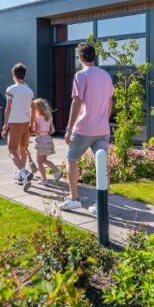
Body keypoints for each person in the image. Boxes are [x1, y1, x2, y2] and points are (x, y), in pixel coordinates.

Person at [62, 42, 115, 212]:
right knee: (102, 165)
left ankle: (74, 198)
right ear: (94, 57)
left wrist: (69, 129)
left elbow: (76, 102)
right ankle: (101, 204)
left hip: (84, 128)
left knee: (71, 160)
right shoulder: (105, 76)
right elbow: (110, 102)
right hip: (102, 129)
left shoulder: (81, 75)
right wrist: (104, 120)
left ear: (81, 57)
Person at [1, 63, 35, 185]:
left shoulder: (11, 89)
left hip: (15, 123)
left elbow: (8, 108)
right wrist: (32, 123)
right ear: (24, 76)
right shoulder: (30, 91)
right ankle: (21, 177)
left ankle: (24, 172)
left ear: (13, 75)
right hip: (26, 123)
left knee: (11, 150)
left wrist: (5, 124)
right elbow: (33, 108)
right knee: (23, 149)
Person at [29, 98, 63, 186]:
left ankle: (44, 179)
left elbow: (35, 130)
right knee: (44, 160)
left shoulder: (37, 117)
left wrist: (31, 132)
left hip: (41, 139)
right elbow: (52, 130)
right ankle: (57, 171)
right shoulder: (49, 117)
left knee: (39, 161)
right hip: (48, 139)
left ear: (37, 108)